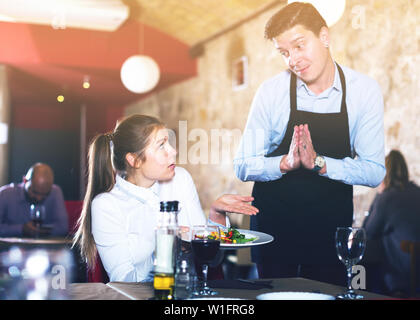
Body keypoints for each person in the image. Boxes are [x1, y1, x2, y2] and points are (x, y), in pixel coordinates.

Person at [233, 3, 385, 284]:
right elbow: (242, 164)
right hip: (272, 232)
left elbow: (374, 171)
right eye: (284, 52)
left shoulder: (364, 91)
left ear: (324, 37)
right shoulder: (271, 92)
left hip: (330, 235)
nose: (293, 59)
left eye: (299, 46)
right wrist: (284, 163)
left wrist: (319, 163)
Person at [73, 114, 258, 282]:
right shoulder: (106, 205)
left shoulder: (180, 179)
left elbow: (211, 261)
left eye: (168, 142)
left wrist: (216, 216)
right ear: (134, 160)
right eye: (161, 145)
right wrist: (166, 242)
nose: (173, 151)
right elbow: (125, 282)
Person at [363, 150, 420, 296]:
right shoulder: (417, 192)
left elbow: (367, 232)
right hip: (415, 274)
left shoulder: (387, 198)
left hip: (401, 280)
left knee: (365, 273)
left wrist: (379, 194)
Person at [0, 163, 69, 237]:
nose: (39, 198)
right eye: (34, 192)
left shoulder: (55, 192)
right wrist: (21, 229)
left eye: (45, 194)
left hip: (46, 247)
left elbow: (63, 228)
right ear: (25, 181)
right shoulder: (5, 194)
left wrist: (39, 231)